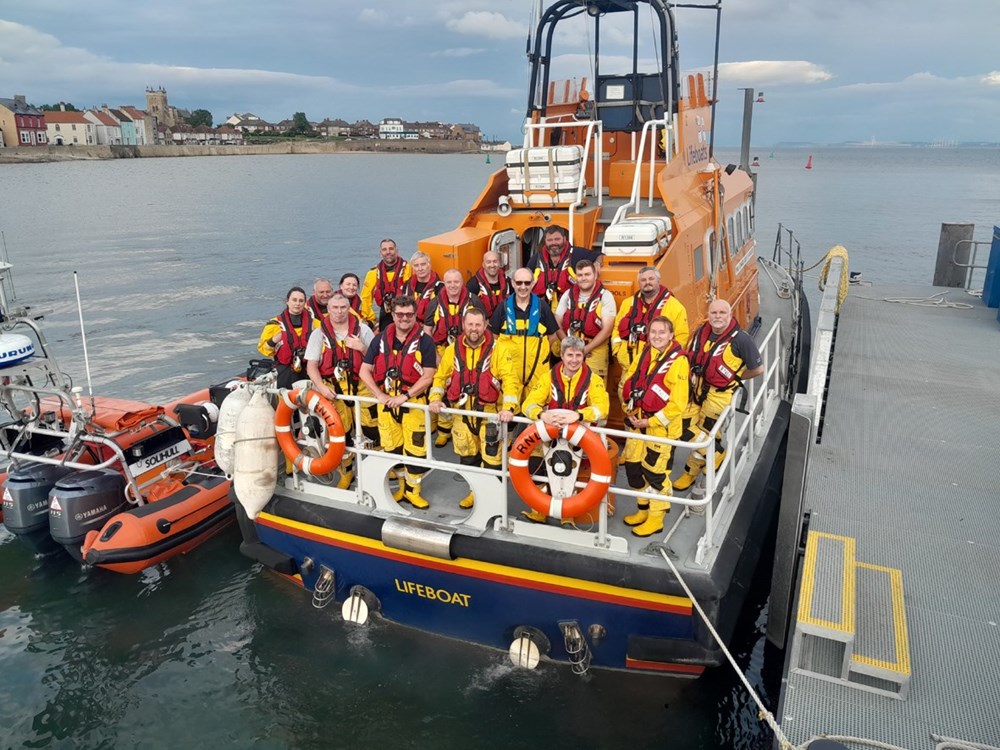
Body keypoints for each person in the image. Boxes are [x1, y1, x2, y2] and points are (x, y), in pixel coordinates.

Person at [672, 299, 763, 492]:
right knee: (682, 427)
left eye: (723, 313)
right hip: (696, 389)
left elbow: (757, 369)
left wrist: (734, 376)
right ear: (709, 315)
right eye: (714, 313)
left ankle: (690, 472)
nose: (718, 316)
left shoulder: (741, 340)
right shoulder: (700, 333)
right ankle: (716, 453)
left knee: (706, 433)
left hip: (718, 396)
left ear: (730, 315)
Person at [429, 308, 516, 508]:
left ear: (485, 325)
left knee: (493, 460)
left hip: (490, 414)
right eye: (470, 324)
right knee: (468, 457)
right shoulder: (452, 350)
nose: (474, 329)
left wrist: (509, 408)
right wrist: (435, 398)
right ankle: (473, 494)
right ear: (463, 325)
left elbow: (510, 380)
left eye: (478, 324)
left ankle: (493, 501)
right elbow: (441, 377)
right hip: (462, 414)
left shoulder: (499, 349)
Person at [358, 296, 437, 509]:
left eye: (409, 315)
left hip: (413, 405)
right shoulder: (380, 340)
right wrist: (379, 395)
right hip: (386, 404)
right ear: (393, 315)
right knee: (393, 448)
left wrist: (406, 396)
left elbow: (428, 376)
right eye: (400, 314)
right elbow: (364, 371)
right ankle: (402, 487)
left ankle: (414, 492)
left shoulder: (425, 342)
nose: (404, 319)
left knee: (415, 450)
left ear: (414, 316)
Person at [521, 336, 610, 523]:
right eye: (570, 355)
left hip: (580, 438)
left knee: (572, 470)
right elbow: (528, 404)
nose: (574, 360)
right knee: (534, 464)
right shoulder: (548, 378)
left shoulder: (593, 380)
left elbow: (603, 408)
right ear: (562, 355)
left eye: (579, 355)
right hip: (550, 435)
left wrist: (578, 415)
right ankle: (539, 510)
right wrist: (542, 415)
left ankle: (568, 514)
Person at [620, 317, 689, 537]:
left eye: (662, 332)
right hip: (637, 423)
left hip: (660, 429)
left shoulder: (678, 362)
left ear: (671, 336)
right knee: (633, 469)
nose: (657, 336)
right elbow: (629, 379)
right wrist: (628, 408)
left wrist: (650, 421)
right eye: (653, 332)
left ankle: (656, 518)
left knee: (656, 475)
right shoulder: (645, 353)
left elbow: (677, 404)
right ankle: (643, 510)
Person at [304, 293, 376, 488]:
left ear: (348, 308)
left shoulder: (363, 330)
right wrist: (321, 387)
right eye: (334, 308)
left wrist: (361, 348)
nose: (339, 311)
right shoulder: (318, 334)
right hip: (334, 390)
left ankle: (376, 469)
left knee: (373, 429)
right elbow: (311, 366)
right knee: (339, 433)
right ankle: (346, 472)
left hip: (362, 387)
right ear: (328, 310)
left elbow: (378, 360)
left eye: (343, 307)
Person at [423, 269, 485, 447]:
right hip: (442, 351)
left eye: (456, 282)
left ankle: (465, 424)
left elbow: (482, 326)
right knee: (441, 388)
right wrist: (434, 356)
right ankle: (444, 429)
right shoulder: (435, 303)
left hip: (467, 350)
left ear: (462, 282)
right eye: (449, 282)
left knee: (463, 385)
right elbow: (427, 330)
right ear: (444, 283)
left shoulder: (474, 300)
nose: (452, 285)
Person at [490, 267, 560, 409]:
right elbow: (493, 338)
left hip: (537, 373)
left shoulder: (542, 307)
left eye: (527, 283)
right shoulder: (502, 308)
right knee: (508, 415)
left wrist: (541, 355)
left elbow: (553, 336)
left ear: (533, 284)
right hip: (509, 375)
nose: (523, 287)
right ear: (513, 284)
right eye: (519, 283)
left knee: (536, 413)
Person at [612, 265, 690, 373]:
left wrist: (667, 360)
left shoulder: (675, 307)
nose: (647, 282)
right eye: (643, 280)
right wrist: (617, 350)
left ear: (658, 280)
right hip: (628, 369)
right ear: (639, 283)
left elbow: (682, 337)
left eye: (651, 279)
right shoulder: (627, 303)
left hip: (657, 371)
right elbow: (616, 328)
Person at [555, 259, 617, 380]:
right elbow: (557, 322)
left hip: (595, 350)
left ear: (595, 275)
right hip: (571, 351)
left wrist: (585, 349)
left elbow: (607, 330)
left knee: (595, 390)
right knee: (570, 389)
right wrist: (569, 346)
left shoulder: (605, 296)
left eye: (587, 274)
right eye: (580, 275)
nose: (583, 278)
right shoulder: (568, 295)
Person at [258, 287, 319, 389]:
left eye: (301, 301)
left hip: (309, 369)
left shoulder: (314, 323)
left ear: (305, 303)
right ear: (287, 301)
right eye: (294, 300)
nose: (297, 303)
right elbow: (263, 349)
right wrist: (274, 340)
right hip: (286, 370)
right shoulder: (274, 324)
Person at [361, 238, 412, 330]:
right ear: (380, 253)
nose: (388, 252)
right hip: (385, 314)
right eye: (384, 249)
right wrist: (370, 319)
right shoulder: (373, 273)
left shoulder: (409, 270)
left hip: (406, 313)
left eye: (391, 248)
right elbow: (365, 298)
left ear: (396, 251)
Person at [466, 250, 511, 319]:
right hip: (483, 324)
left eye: (495, 261)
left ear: (499, 263)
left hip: (506, 322)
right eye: (488, 262)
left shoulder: (508, 282)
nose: (492, 265)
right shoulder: (473, 284)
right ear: (483, 264)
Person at [403, 251, 443, 324]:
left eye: (423, 264)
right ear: (413, 268)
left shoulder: (439, 287)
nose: (420, 268)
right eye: (416, 265)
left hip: (431, 326)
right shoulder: (407, 285)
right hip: (410, 323)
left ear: (429, 265)